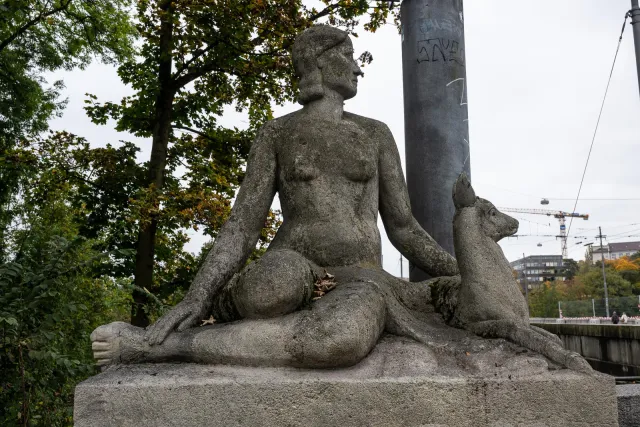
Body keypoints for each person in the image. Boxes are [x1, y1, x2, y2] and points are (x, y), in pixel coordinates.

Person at [91, 25, 459, 368]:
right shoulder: (278, 133)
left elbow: (404, 228)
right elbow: (243, 226)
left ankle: (166, 348)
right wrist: (196, 296)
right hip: (293, 264)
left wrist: (462, 272)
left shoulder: (374, 134)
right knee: (268, 290)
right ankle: (177, 337)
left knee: (340, 341)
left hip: (361, 280)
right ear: (317, 60)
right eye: (347, 55)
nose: (356, 68)